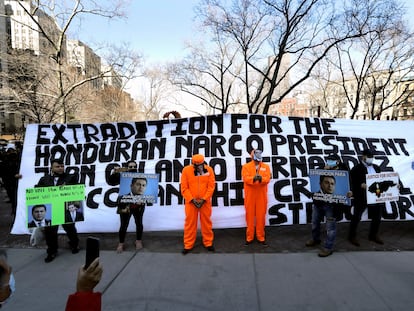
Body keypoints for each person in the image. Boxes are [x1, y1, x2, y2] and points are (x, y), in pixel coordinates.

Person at [306, 154, 352, 257]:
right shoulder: (322, 169)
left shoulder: (345, 173)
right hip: (319, 202)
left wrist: (350, 192)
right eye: (328, 160)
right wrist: (323, 169)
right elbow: (312, 176)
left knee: (330, 228)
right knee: (314, 222)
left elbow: (350, 186)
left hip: (333, 206)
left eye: (331, 160)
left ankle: (328, 248)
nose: (329, 162)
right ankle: (315, 239)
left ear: (337, 162)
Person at [36, 159, 80, 263]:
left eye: (62, 166)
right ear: (51, 168)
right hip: (51, 209)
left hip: (66, 208)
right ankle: (51, 251)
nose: (60, 168)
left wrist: (67, 189)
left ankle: (74, 245)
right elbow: (37, 192)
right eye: (57, 166)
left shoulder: (70, 177)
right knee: (50, 232)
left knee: (70, 228)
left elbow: (77, 191)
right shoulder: (44, 179)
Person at [348, 149, 385, 246]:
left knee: (377, 217)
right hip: (361, 197)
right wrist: (360, 185)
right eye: (368, 156)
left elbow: (381, 180)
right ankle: (352, 236)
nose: (370, 158)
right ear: (363, 156)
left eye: (372, 156)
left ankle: (373, 235)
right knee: (356, 217)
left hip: (375, 196)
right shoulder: (356, 169)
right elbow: (351, 183)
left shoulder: (377, 168)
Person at [180, 154, 216, 255]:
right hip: (191, 202)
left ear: (203, 162)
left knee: (206, 222)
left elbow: (211, 186)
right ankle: (188, 245)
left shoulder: (209, 170)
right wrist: (192, 200)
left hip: (205, 202)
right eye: (197, 165)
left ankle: (208, 243)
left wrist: (204, 199)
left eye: (201, 164)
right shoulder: (186, 170)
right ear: (193, 164)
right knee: (190, 224)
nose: (199, 167)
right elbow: (184, 187)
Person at [242, 149, 272, 246]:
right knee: (249, 217)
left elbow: (268, 178)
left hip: (261, 195)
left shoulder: (266, 166)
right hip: (250, 195)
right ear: (252, 157)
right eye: (256, 158)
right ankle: (249, 237)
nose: (258, 160)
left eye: (259, 158)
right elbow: (245, 178)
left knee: (261, 217)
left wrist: (261, 179)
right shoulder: (246, 167)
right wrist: (254, 178)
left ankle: (261, 237)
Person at [116, 175, 147, 253]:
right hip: (125, 207)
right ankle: (121, 243)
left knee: (139, 223)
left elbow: (151, 201)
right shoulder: (122, 196)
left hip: (139, 208)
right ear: (131, 186)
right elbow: (119, 201)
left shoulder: (144, 197)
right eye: (138, 184)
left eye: (143, 185)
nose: (141, 187)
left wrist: (143, 201)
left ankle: (138, 241)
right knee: (124, 225)